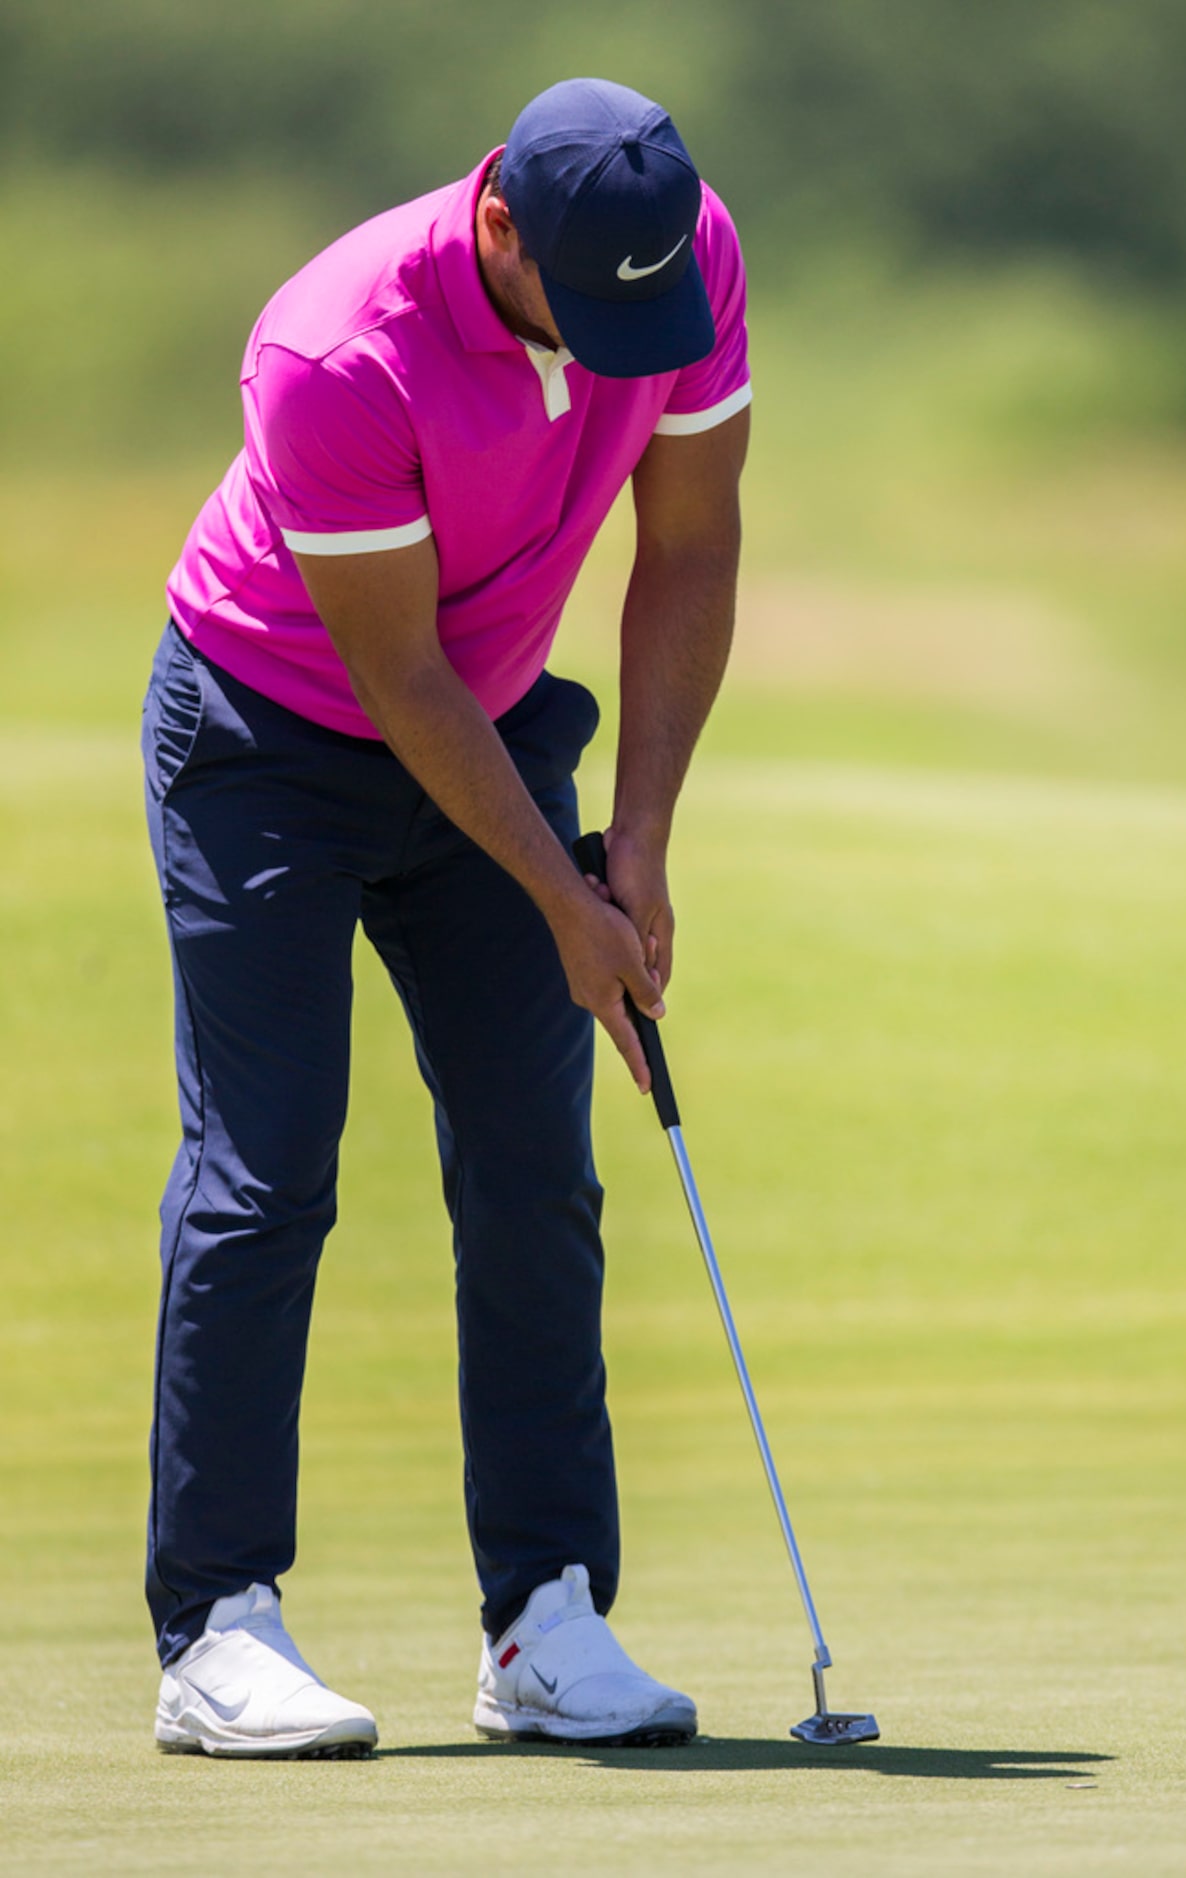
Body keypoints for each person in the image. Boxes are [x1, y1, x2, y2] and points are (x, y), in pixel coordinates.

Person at [141, 75, 750, 1759]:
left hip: (486, 715)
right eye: (592, 311)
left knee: (532, 1163)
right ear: (500, 226)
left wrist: (636, 838)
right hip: (271, 738)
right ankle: (216, 1626)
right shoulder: (337, 348)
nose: (636, 347)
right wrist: (557, 896)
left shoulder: (668, 257)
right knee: (267, 1174)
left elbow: (689, 544)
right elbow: (396, 674)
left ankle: (543, 1618)